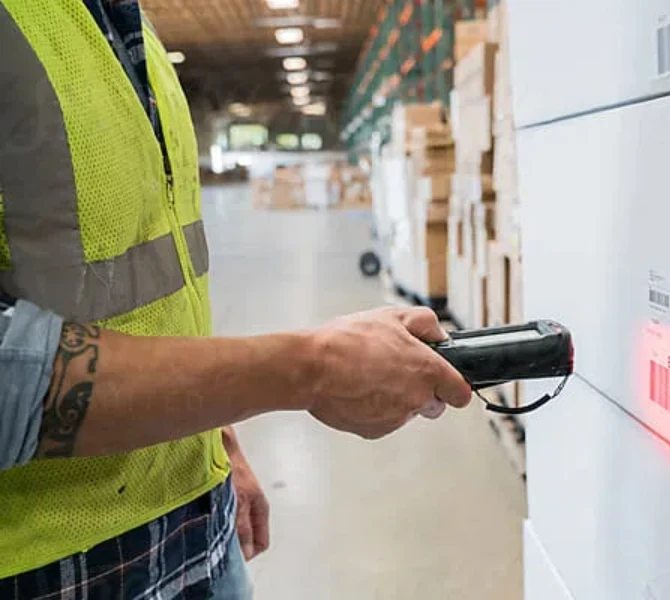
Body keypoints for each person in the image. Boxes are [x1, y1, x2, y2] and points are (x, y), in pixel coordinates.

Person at [0, 1, 471, 598]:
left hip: (196, 524)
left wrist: (212, 438)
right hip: (48, 571)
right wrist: (312, 370)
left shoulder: (115, 19)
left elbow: (148, 287)